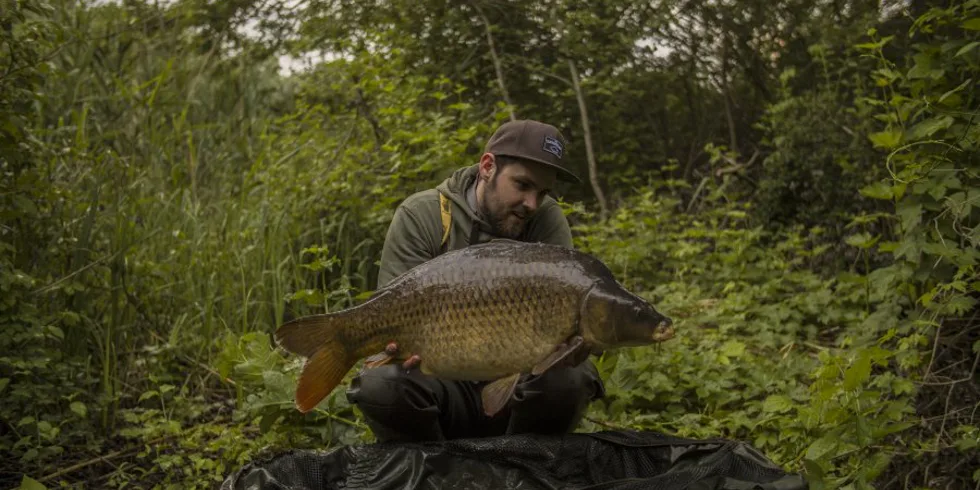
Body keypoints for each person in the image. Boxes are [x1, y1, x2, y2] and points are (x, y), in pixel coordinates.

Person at [345, 119, 606, 443]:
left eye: (542, 192)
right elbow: (392, 310)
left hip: (519, 392)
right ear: (487, 167)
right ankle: (433, 473)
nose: (532, 203)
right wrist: (395, 346)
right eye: (522, 185)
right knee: (381, 383)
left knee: (571, 378)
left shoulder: (546, 220)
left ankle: (523, 468)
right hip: (440, 388)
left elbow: (565, 315)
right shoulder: (423, 214)